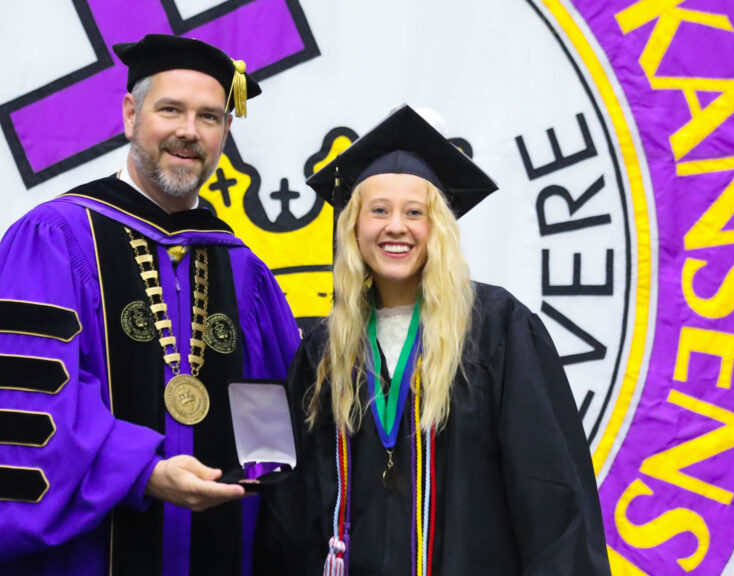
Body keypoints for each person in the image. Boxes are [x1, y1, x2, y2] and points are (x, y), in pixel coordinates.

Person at [0, 34, 300, 576]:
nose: (189, 132)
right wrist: (142, 471)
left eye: (209, 117)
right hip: (86, 557)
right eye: (171, 110)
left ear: (224, 133)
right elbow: (35, 402)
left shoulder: (242, 268)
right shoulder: (55, 237)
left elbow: (282, 411)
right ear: (129, 114)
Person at [257, 105, 611, 575]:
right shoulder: (325, 349)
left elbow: (548, 493)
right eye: (378, 211)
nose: (395, 227)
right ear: (354, 226)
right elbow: (298, 507)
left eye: (415, 213)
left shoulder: (497, 330)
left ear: (438, 228)